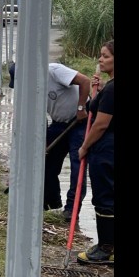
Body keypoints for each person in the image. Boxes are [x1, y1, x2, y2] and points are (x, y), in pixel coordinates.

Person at [77, 40, 114, 265]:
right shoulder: (109, 88)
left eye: (106, 56)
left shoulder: (112, 89)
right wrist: (98, 92)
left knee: (104, 198)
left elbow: (100, 124)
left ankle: (106, 248)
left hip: (106, 150)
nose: (100, 59)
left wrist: (85, 146)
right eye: (101, 55)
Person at [44, 63, 92, 221]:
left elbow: (85, 81)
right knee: (46, 163)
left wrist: (81, 108)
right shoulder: (29, 88)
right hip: (58, 123)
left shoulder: (54, 71)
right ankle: (51, 202)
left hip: (79, 121)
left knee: (77, 165)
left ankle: (72, 209)